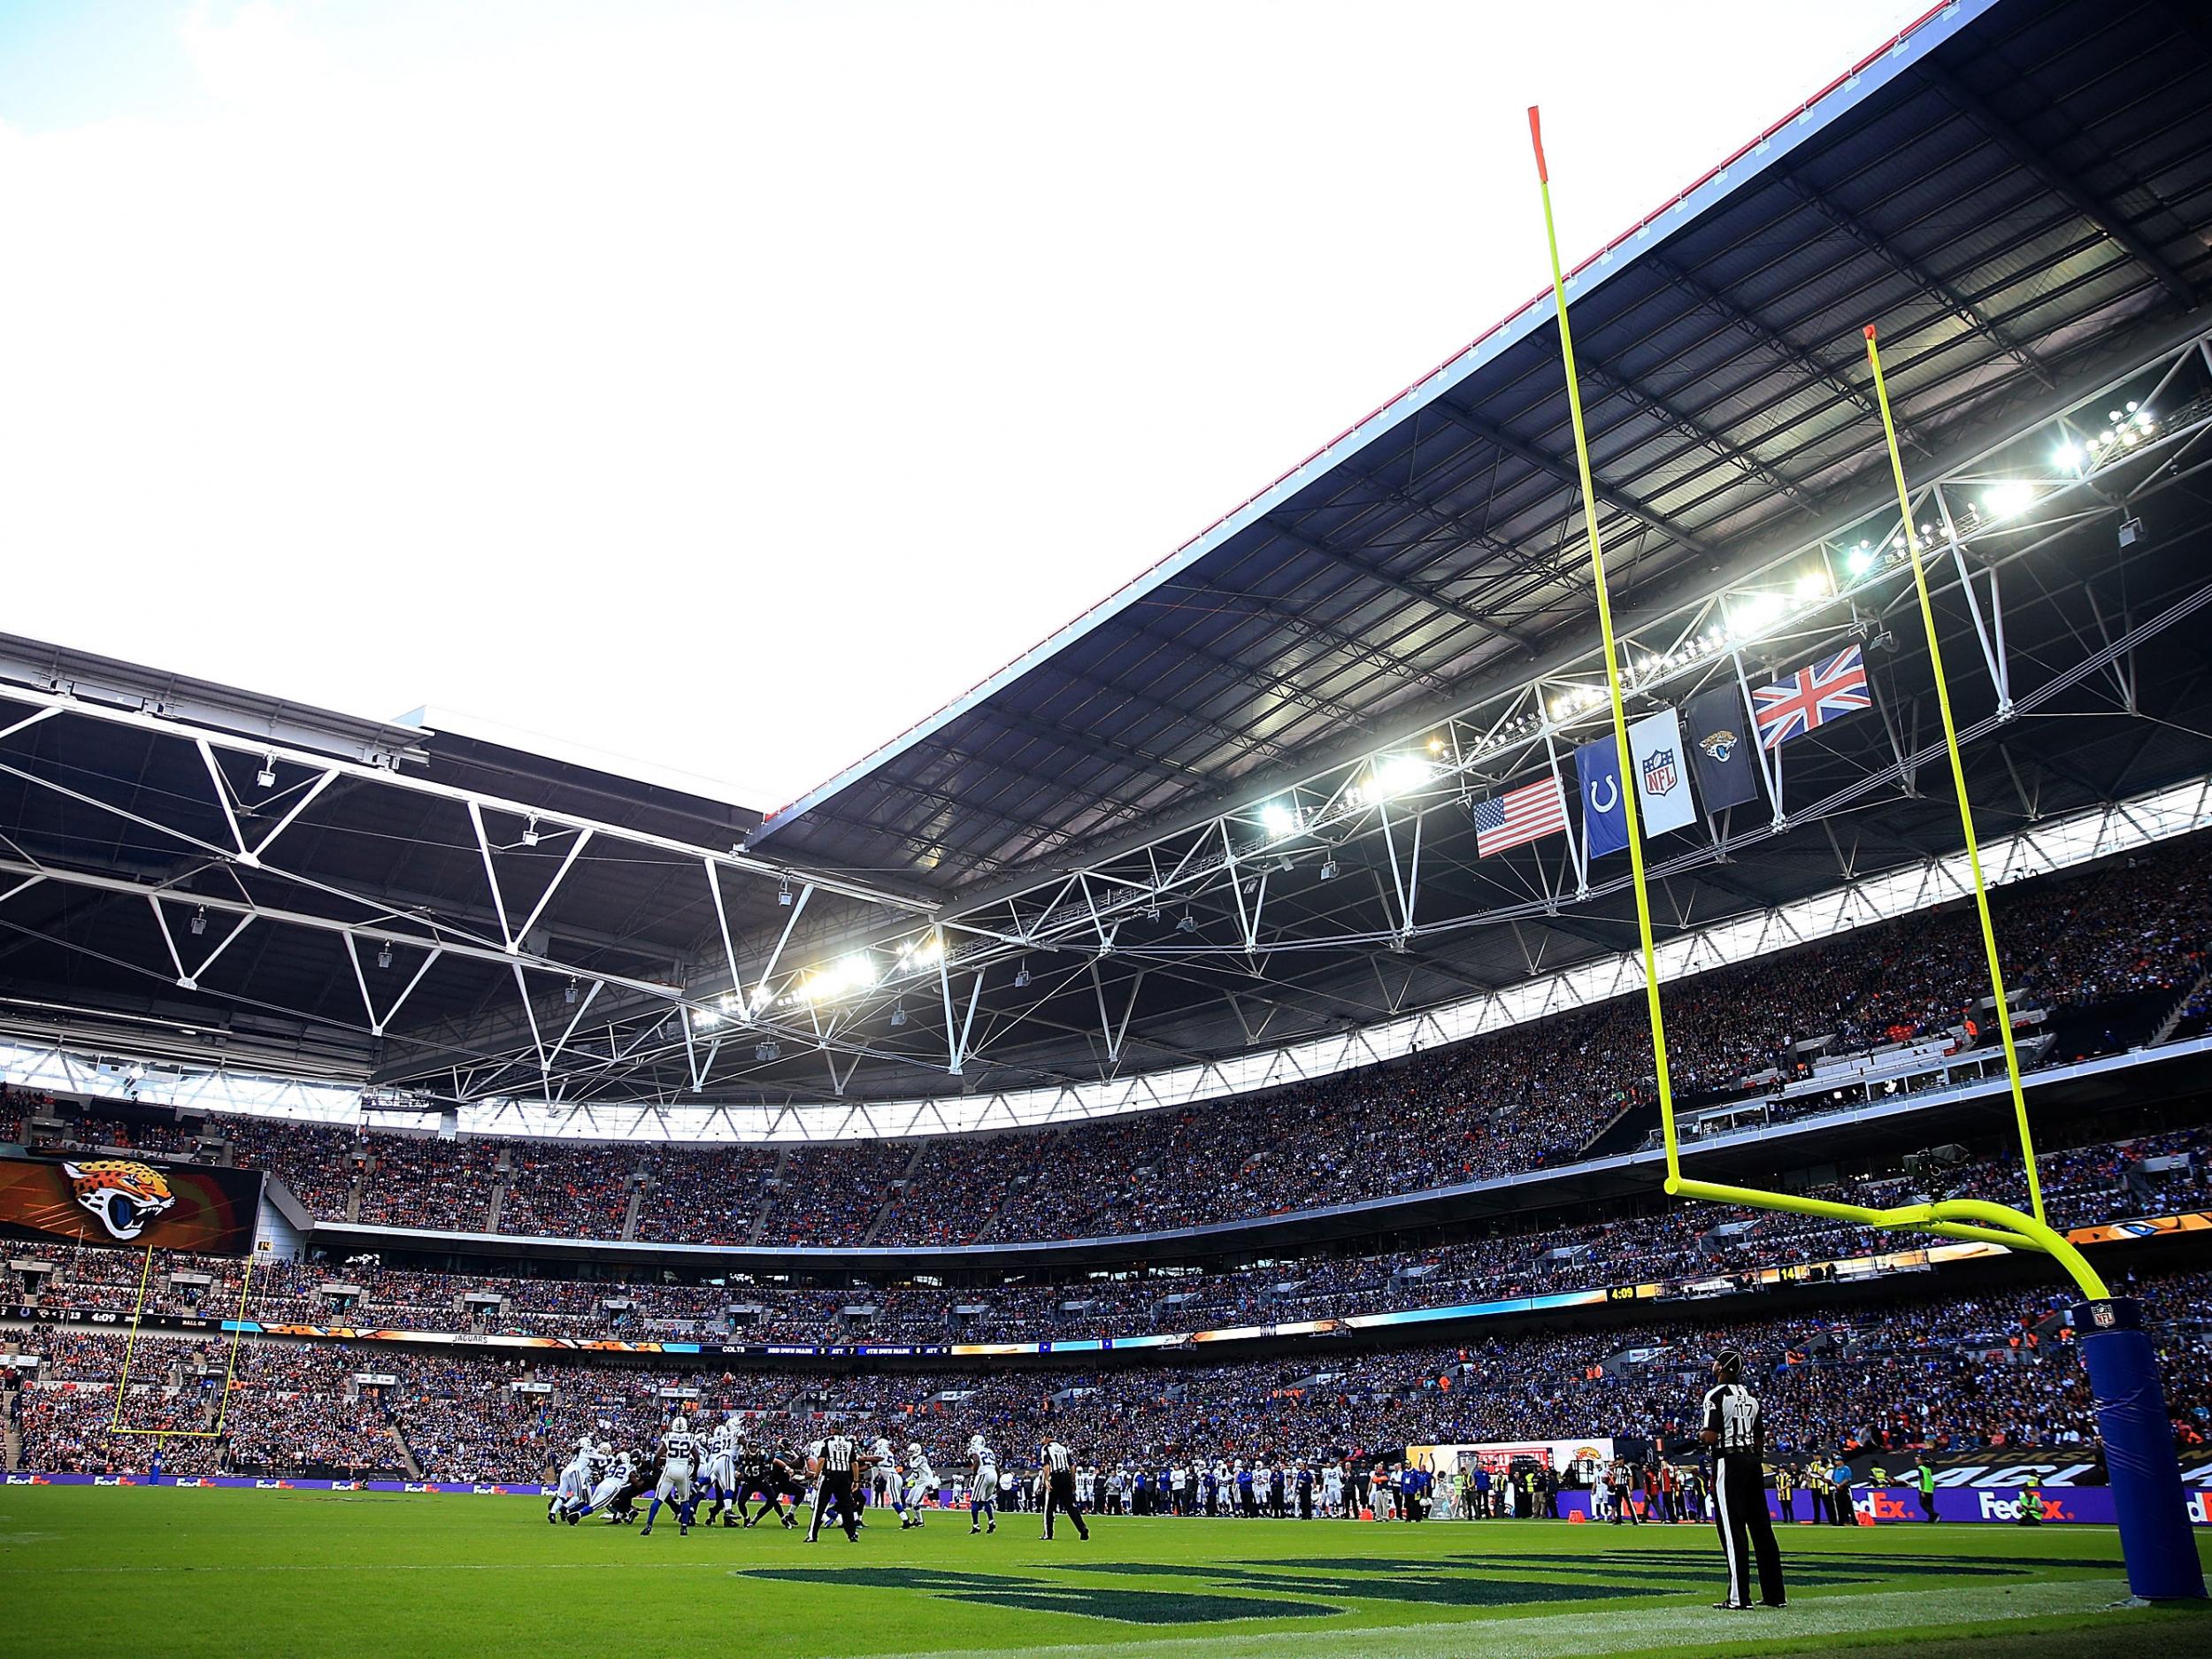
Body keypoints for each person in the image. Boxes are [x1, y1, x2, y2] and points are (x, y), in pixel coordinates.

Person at [1701, 1348, 1786, 1611]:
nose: (1713, 1365)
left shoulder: (1715, 1395)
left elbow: (1711, 1436)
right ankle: (1775, 1594)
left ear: (1724, 1367)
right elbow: (1760, 1439)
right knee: (1762, 1529)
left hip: (1728, 1460)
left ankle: (1739, 1597)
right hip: (1752, 1461)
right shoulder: (1751, 1397)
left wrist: (1700, 1436)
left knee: (1731, 1528)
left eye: (1716, 1362)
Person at [808, 1431, 862, 1543]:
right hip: (844, 1477)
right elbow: (854, 1463)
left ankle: (813, 1535)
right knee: (847, 1507)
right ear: (843, 1430)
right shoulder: (849, 1443)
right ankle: (852, 1535)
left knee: (820, 1506)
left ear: (832, 1429)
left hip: (829, 1476)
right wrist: (856, 1480)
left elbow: (822, 1459)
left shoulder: (828, 1441)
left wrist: (816, 1477)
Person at [1041, 1438, 1091, 1540]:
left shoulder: (1046, 1448)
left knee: (1049, 1507)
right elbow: (1072, 1466)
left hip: (1055, 1477)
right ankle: (1082, 1528)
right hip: (1066, 1476)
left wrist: (1046, 1480)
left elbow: (1047, 1465)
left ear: (1046, 1438)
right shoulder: (1063, 1448)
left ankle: (1048, 1534)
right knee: (1071, 1507)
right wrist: (1073, 1481)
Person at [966, 1433, 1000, 1534]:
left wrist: (974, 1475)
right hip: (993, 1474)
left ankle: (976, 1526)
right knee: (986, 1499)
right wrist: (997, 1481)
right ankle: (991, 1522)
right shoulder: (989, 1451)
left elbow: (976, 1460)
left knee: (974, 1501)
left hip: (983, 1474)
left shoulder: (973, 1449)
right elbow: (997, 1466)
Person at [902, 1440, 936, 1529]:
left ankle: (920, 1521)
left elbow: (914, 1466)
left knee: (915, 1502)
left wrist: (930, 1483)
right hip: (918, 1483)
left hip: (925, 1483)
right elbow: (915, 1473)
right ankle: (916, 1519)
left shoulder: (921, 1458)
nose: (910, 1454)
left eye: (911, 1452)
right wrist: (906, 1480)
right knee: (908, 1501)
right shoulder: (914, 1459)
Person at [1914, 1457, 1938, 1523]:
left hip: (1925, 1488)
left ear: (1921, 1461)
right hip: (1930, 1487)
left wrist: (1922, 1490)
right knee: (1929, 1504)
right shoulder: (1928, 1468)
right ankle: (1931, 1519)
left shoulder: (1921, 1468)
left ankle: (1934, 1514)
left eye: (1917, 1460)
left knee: (1923, 1504)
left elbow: (1922, 1479)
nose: (1916, 1462)